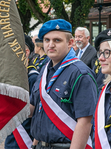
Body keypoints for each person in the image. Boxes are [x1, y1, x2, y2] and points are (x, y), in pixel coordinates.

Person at [30, 19, 97, 149]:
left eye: (57, 40)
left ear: (70, 43)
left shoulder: (80, 74)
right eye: (47, 40)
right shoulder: (44, 69)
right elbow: (36, 109)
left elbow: (85, 122)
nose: (51, 45)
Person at [5, 34, 39, 149]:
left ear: (26, 52)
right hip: (12, 136)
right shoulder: (15, 76)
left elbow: (35, 113)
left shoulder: (33, 77)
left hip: (25, 137)